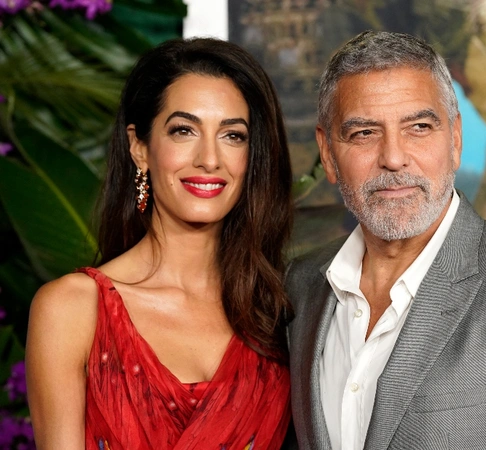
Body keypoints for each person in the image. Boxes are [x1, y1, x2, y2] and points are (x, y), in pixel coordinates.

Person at [285, 31, 486, 450]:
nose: (393, 158)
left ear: (454, 139)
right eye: (364, 133)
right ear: (327, 153)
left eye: (418, 127)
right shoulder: (301, 284)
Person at [25, 37, 293, 449]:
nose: (209, 159)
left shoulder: (280, 309)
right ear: (139, 147)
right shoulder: (72, 309)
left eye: (233, 135)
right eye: (184, 130)